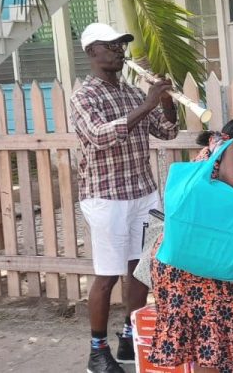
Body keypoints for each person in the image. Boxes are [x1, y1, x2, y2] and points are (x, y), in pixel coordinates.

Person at [70, 23, 178, 373]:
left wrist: (164, 101)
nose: (119, 50)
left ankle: (131, 336)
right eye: (111, 45)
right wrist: (147, 105)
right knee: (108, 274)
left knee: (140, 269)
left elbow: (167, 131)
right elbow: (100, 136)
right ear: (92, 52)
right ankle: (97, 352)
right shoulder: (84, 96)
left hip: (143, 193)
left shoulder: (132, 92)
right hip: (106, 198)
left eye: (121, 45)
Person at [148, 119, 233, 373]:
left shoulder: (208, 154)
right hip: (204, 271)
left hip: (179, 262)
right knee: (211, 343)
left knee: (205, 345)